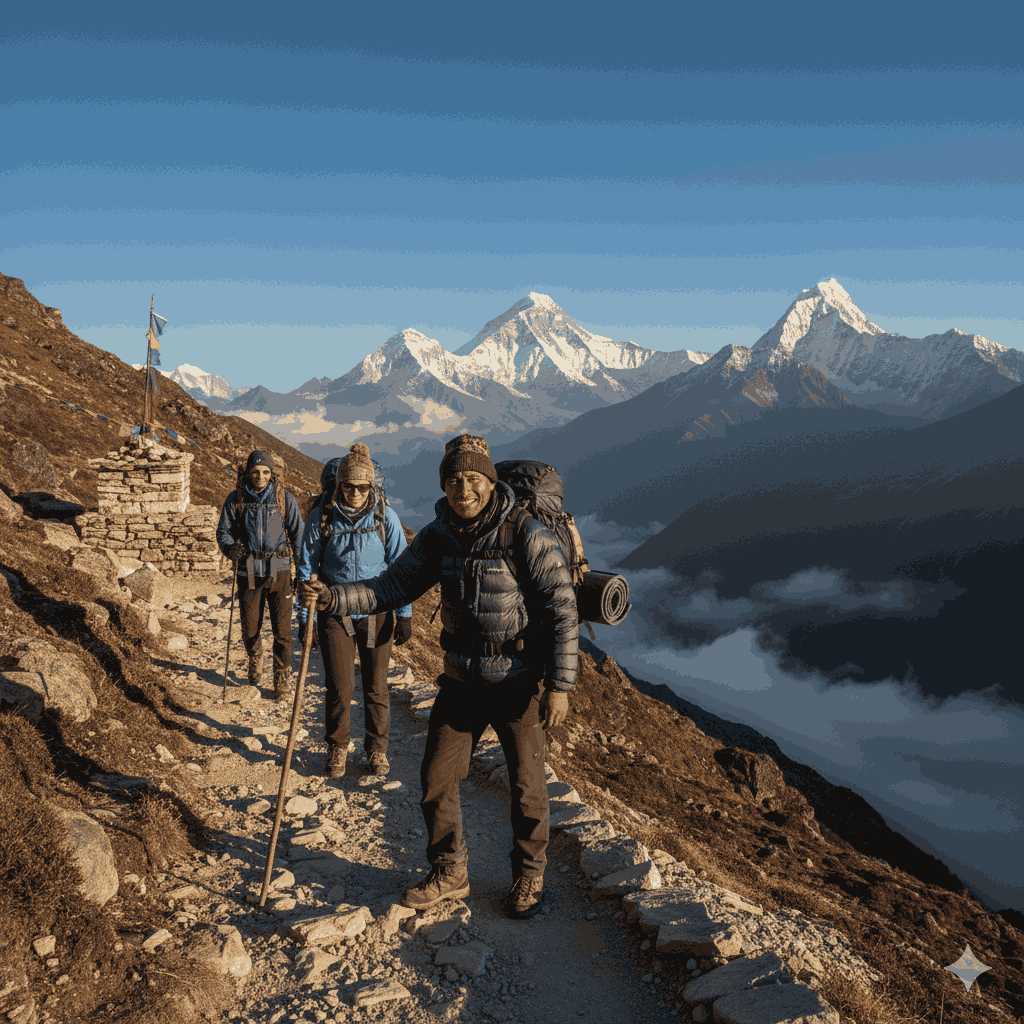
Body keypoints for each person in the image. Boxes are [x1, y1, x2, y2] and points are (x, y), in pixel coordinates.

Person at [299, 433, 576, 920]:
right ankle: (450, 870)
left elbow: (561, 608)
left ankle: (529, 877)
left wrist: (560, 686)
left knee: (526, 785)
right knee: (435, 778)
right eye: (453, 480)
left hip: (516, 681)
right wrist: (334, 599)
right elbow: (392, 585)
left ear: (490, 482)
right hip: (460, 679)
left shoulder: (525, 532)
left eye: (472, 478)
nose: (462, 489)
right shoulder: (439, 534)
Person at [296, 443, 412, 778]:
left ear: (373, 487)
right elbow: (306, 570)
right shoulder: (321, 517)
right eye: (349, 486)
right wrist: (306, 621)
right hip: (335, 612)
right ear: (339, 485)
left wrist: (404, 614)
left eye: (363, 487)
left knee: (376, 686)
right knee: (340, 686)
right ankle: (337, 747)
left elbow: (401, 568)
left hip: (377, 610)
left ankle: (376, 750)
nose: (356, 493)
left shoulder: (385, 517)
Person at [216, 450, 304, 700]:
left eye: (265, 472)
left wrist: (302, 571)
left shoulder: (284, 499)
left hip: (280, 571)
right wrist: (230, 548)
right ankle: (255, 659)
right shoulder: (237, 499)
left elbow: (298, 536)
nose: (260, 476)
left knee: (282, 631)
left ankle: (281, 678)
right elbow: (223, 530)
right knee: (250, 628)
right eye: (255, 471)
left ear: (272, 473)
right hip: (250, 570)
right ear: (247, 472)